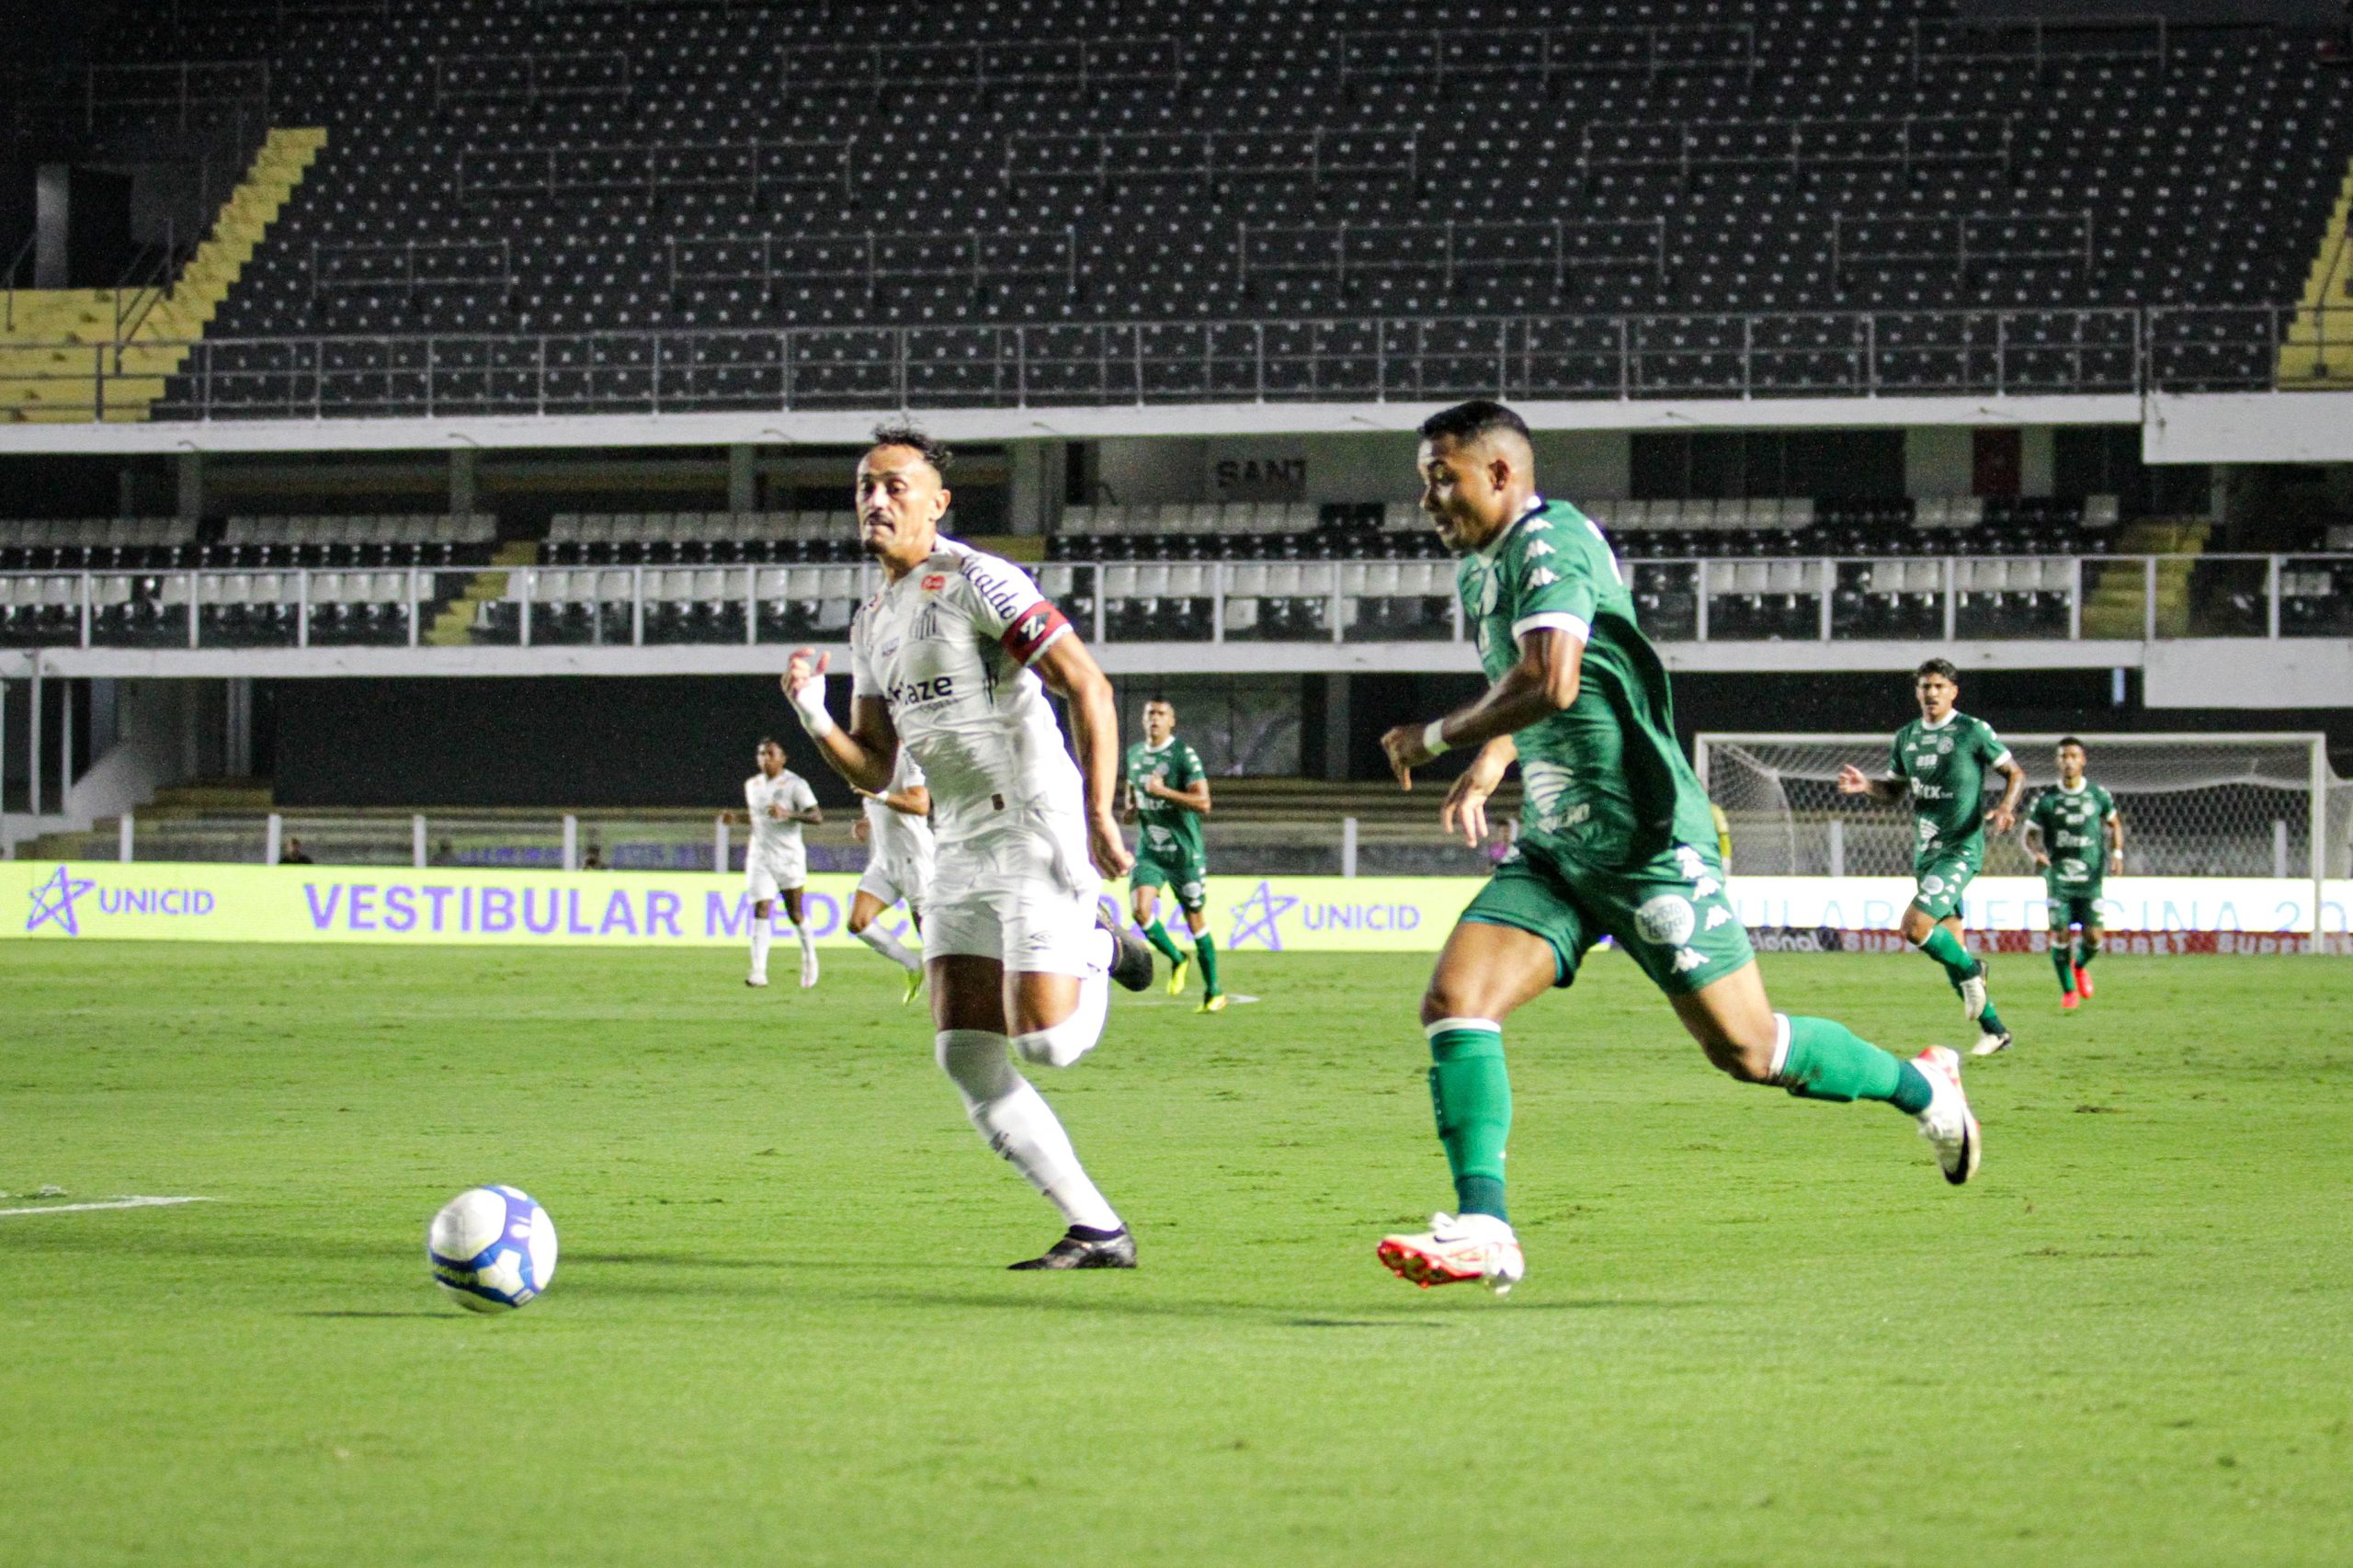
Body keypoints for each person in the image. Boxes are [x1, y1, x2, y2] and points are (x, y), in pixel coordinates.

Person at [1371, 400, 1982, 1298]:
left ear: (1499, 472)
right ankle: (1485, 1227)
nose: (1426, 497)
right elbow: (1537, 688)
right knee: (1455, 999)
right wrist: (1496, 753)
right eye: (1422, 478)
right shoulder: (1481, 572)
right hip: (1559, 851)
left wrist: (1435, 737)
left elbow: (1552, 675)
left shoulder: (1553, 544)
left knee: (1750, 1049)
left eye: (1441, 476)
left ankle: (1925, 1086)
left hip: (1650, 844)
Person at [781, 424, 1155, 1271]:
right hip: (956, 839)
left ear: (938, 502)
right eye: (865, 487)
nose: (876, 500)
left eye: (895, 486)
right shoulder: (873, 618)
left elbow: (1086, 685)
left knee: (1047, 1044)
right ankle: (1098, 1230)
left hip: (1033, 820)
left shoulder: (978, 579)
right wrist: (811, 712)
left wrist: (1099, 811)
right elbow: (875, 766)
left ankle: (1100, 936)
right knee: (964, 1051)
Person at [1836, 659, 2027, 1055]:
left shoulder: (1972, 731)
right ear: (1917, 692)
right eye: (1925, 687)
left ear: (1953, 691)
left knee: (1915, 927)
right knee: (1949, 955)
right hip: (1926, 852)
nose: (1931, 693)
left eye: (1939, 686)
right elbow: (1894, 792)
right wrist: (1867, 785)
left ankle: (1974, 971)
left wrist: (2007, 807)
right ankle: (1995, 1031)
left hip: (1960, 848)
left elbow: (2015, 773)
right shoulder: (1906, 737)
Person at [1122, 698, 1224, 1012]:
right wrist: (1131, 810)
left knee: (1196, 921)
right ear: (1143, 720)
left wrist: (1163, 792)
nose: (1154, 719)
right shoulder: (1135, 755)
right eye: (1149, 713)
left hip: (1185, 855)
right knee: (1140, 911)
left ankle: (1214, 992)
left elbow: (1204, 803)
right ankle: (1177, 958)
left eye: (1161, 714)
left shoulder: (1183, 755)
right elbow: (1130, 806)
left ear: (1172, 721)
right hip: (1151, 852)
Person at [2022, 736, 2123, 1012]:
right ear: (2058, 761)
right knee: (2060, 934)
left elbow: (2114, 824)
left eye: (2073, 756)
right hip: (2059, 879)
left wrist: (2117, 854)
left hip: (2090, 880)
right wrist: (2036, 854)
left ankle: (2079, 967)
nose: (2068, 761)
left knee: (2093, 937)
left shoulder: (2098, 795)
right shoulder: (2047, 800)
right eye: (2063, 756)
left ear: (2083, 760)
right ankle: (2068, 991)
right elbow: (2028, 835)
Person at [720, 738, 823, 989]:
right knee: (761, 909)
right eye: (761, 754)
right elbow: (759, 819)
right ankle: (758, 971)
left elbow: (817, 817)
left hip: (788, 857)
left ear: (782, 758)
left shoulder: (796, 784)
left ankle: (810, 958)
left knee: (795, 912)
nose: (765, 758)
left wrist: (789, 813)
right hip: (760, 856)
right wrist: (737, 818)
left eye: (770, 754)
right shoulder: (752, 785)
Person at [848, 751, 935, 1005]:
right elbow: (878, 806)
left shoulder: (907, 756)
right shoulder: (872, 760)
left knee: (931, 938)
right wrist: (867, 821)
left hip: (915, 861)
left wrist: (879, 795)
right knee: (858, 922)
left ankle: (957, 996)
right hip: (884, 862)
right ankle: (912, 964)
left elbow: (920, 805)